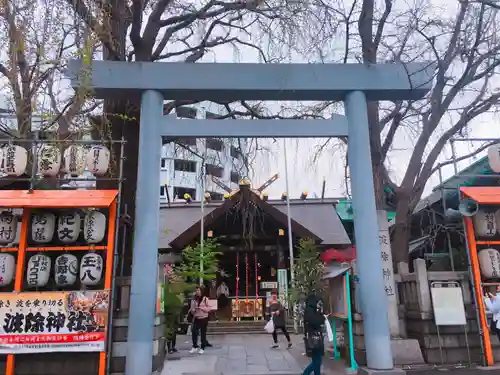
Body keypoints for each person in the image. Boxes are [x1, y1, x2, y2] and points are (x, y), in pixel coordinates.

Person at [302, 293, 325, 375]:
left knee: (316, 359)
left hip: (314, 337)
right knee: (317, 361)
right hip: (314, 338)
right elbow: (315, 322)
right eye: (317, 301)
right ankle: (305, 373)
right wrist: (322, 318)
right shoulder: (309, 311)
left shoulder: (311, 310)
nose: (318, 303)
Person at [189, 286, 211, 354]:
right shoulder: (194, 299)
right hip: (196, 317)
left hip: (204, 318)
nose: (197, 292)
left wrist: (202, 308)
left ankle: (202, 347)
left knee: (203, 333)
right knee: (194, 331)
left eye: (199, 290)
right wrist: (193, 310)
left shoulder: (205, 299)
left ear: (201, 291)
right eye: (196, 290)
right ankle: (194, 346)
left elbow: (209, 308)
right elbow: (191, 308)